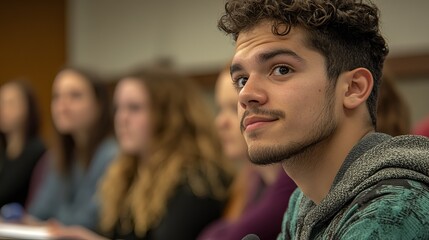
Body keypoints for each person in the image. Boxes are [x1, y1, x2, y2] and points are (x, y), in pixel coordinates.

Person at [218, 0, 429, 239]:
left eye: (281, 69)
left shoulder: (395, 211)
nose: (246, 95)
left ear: (353, 88)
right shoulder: (304, 203)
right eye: (242, 80)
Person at [50, 67, 232, 239]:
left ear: (169, 116)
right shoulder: (125, 173)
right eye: (118, 108)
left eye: (134, 108)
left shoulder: (197, 179)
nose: (122, 118)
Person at [198, 64, 296, 240]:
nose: (220, 123)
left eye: (232, 108)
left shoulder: (294, 179)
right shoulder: (250, 181)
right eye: (220, 109)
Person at [28, 67, 118, 231]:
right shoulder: (60, 155)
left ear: (99, 104)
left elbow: (89, 221)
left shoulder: (112, 153)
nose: (63, 105)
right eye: (57, 97)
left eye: (75, 96)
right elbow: (38, 212)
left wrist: (53, 223)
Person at [0, 80, 46, 209]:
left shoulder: (37, 151)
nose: (3, 110)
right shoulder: (3, 152)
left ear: (28, 108)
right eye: (1, 103)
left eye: (11, 103)